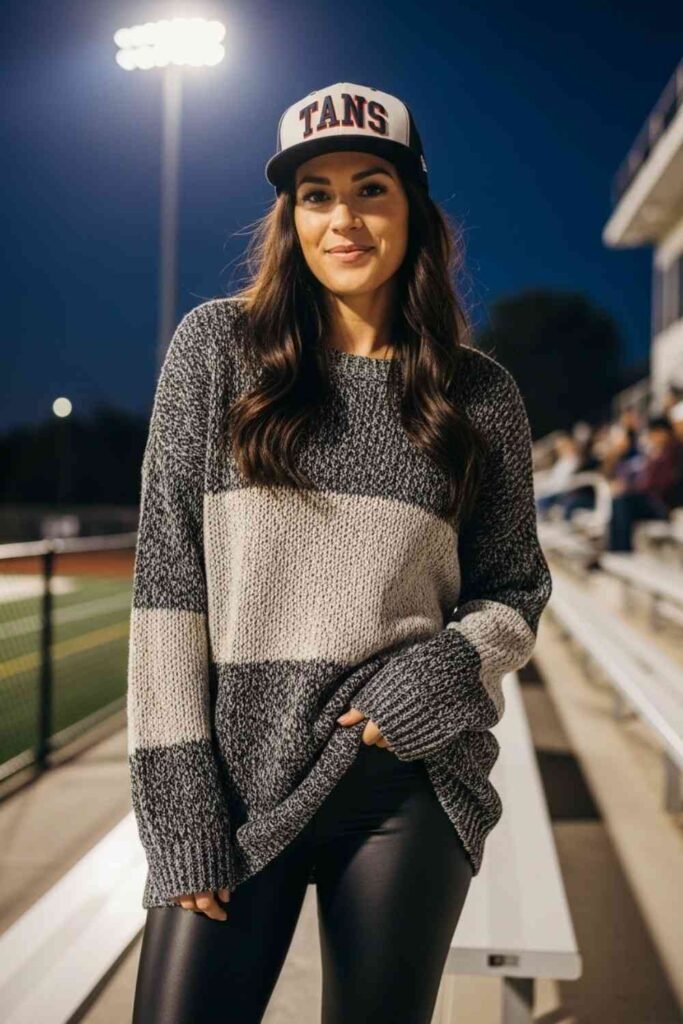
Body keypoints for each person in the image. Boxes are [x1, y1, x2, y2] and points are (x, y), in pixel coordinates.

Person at [127, 81, 553, 1023]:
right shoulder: (215, 349)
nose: (343, 219)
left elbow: (514, 589)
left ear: (413, 210)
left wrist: (439, 671)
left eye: (370, 189)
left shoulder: (478, 395)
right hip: (235, 785)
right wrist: (180, 802)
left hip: (403, 783)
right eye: (315, 194)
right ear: (290, 217)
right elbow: (167, 586)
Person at [607, 415, 683, 551]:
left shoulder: (674, 451)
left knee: (623, 501)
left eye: (653, 434)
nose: (651, 438)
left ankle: (622, 549)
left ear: (663, 432)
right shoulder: (657, 452)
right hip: (650, 499)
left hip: (662, 503)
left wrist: (634, 488)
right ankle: (616, 549)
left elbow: (663, 483)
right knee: (618, 500)